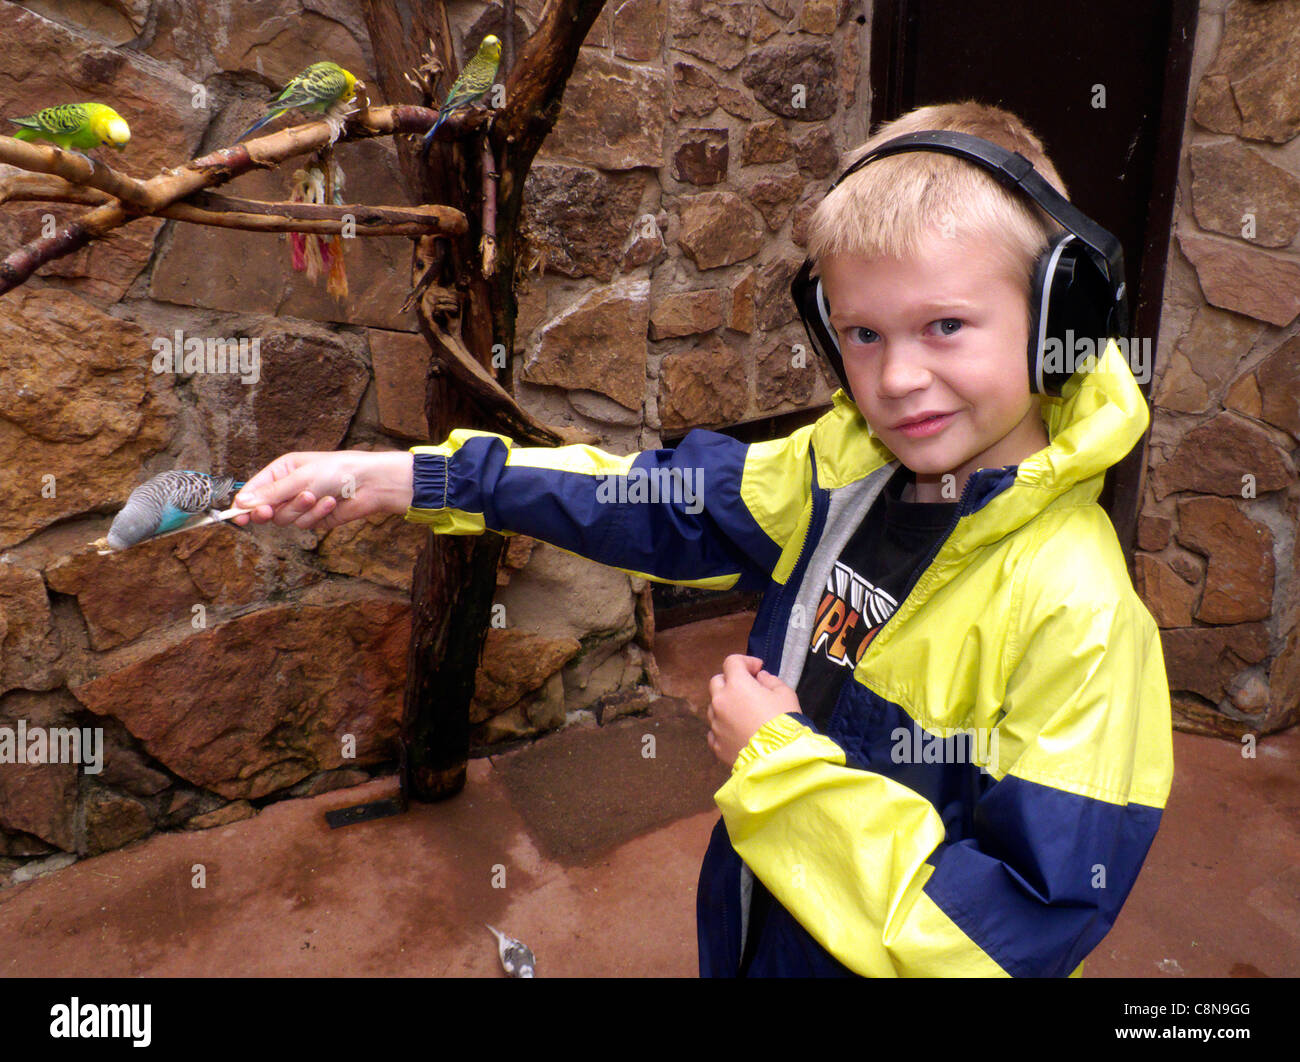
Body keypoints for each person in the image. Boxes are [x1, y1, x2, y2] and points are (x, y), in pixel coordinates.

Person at [233, 100, 1173, 977]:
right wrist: (404, 477)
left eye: (947, 325)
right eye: (864, 333)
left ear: (1061, 319)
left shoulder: (1082, 617)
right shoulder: (840, 467)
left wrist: (779, 766)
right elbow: (655, 503)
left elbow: (1012, 930)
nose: (897, 379)